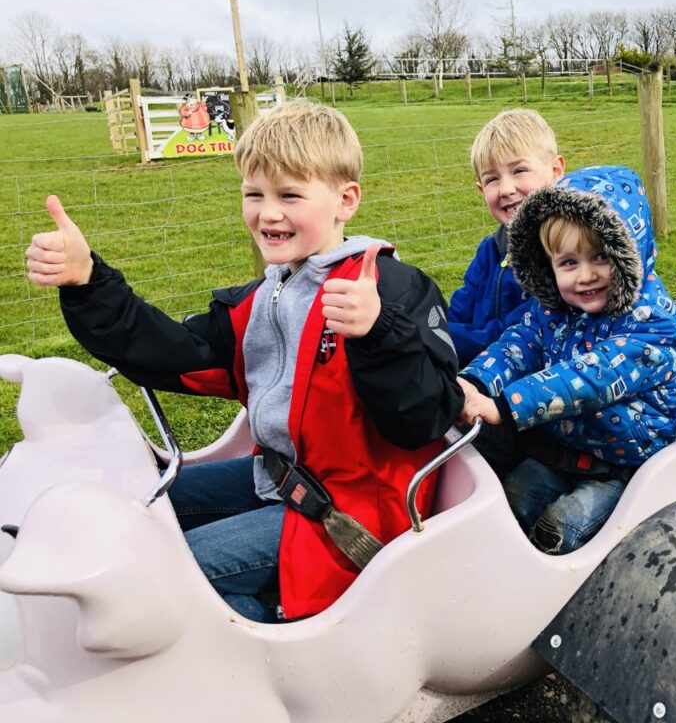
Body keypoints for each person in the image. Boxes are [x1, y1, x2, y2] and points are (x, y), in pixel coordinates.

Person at [24, 100, 463, 623]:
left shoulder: (391, 290)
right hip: (277, 481)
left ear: (346, 201)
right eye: (254, 193)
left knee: (164, 570)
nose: (268, 212)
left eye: (289, 195)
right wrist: (87, 281)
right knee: (129, 502)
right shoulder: (265, 297)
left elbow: (425, 418)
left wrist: (378, 335)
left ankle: (277, 641)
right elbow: (174, 356)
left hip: (351, 517)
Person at [457, 165, 676, 554]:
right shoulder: (555, 307)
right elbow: (520, 343)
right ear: (549, 266)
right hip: (563, 453)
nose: (585, 276)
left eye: (600, 257)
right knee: (506, 507)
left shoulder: (652, 324)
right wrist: (474, 382)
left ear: (628, 252)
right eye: (568, 263)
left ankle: (589, 595)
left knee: (558, 528)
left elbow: (588, 378)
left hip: (625, 467)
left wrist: (505, 406)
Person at [449, 108, 565, 366]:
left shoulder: (563, 253)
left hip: (526, 377)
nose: (506, 189)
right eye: (492, 179)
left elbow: (518, 332)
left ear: (556, 170)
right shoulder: (492, 248)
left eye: (519, 170)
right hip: (479, 367)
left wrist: (440, 338)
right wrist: (437, 328)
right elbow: (462, 305)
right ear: (481, 188)